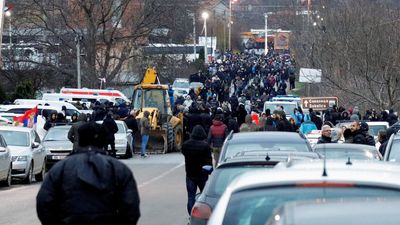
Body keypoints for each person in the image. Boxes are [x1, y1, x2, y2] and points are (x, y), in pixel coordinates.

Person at [36, 122, 140, 225]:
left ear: (80, 139)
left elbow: (44, 202)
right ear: (103, 141)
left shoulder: (60, 169)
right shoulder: (118, 169)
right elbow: (131, 206)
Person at [182, 125, 213, 215]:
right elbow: (208, 161)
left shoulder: (186, 145)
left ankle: (191, 214)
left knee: (191, 196)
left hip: (190, 174)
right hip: (202, 174)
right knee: (204, 196)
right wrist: (210, 170)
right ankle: (203, 213)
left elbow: (183, 152)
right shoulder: (205, 146)